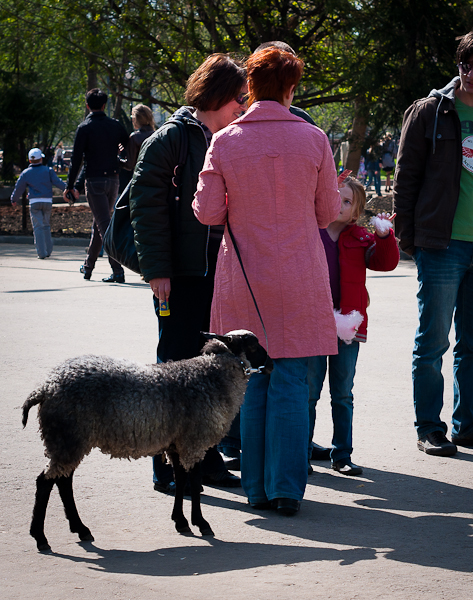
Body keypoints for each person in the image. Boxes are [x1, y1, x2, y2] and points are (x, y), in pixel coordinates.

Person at [193, 47, 341, 516]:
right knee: (294, 383)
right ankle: (286, 490)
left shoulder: (225, 140)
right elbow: (327, 212)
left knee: (253, 381)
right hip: (300, 276)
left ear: (249, 88)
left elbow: (208, 212)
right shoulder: (315, 139)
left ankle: (255, 487)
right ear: (292, 88)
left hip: (244, 279)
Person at [393, 27, 473, 457]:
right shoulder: (429, 111)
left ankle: (469, 424)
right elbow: (405, 178)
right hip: (441, 246)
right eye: (465, 65)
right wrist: (411, 239)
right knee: (432, 341)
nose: (471, 74)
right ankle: (430, 426)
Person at [129, 53, 248, 494]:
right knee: (174, 371)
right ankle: (168, 468)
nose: (243, 104)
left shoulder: (227, 136)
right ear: (216, 94)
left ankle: (204, 457)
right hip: (178, 276)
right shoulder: (169, 140)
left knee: (208, 373)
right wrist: (157, 272)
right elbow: (147, 210)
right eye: (238, 96)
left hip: (218, 274)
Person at [308, 176, 399, 476]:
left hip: (347, 328)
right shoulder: (311, 232)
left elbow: (385, 263)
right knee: (308, 392)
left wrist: (385, 236)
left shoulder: (360, 238)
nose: (340, 205)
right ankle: (301, 450)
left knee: (343, 393)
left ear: (356, 210)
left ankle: (342, 454)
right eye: (336, 198)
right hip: (312, 324)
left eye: (347, 202)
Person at [65, 88, 129, 283]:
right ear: (104, 105)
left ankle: (117, 270)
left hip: (94, 181)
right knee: (99, 225)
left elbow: (76, 160)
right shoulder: (115, 126)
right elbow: (128, 147)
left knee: (104, 226)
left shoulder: (84, 128)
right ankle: (88, 266)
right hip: (113, 180)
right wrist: (119, 158)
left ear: (87, 105)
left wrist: (70, 185)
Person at [10, 148, 66, 259]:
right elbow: (58, 182)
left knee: (38, 227)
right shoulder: (48, 170)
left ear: (30, 161)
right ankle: (48, 250)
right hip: (47, 202)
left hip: (34, 202)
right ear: (41, 159)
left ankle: (41, 253)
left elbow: (19, 188)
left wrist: (14, 199)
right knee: (46, 225)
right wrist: (70, 190)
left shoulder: (26, 173)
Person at [119, 104, 156, 191]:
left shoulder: (135, 137)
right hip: (158, 178)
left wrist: (118, 158)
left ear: (136, 119)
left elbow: (129, 165)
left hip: (141, 179)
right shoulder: (158, 134)